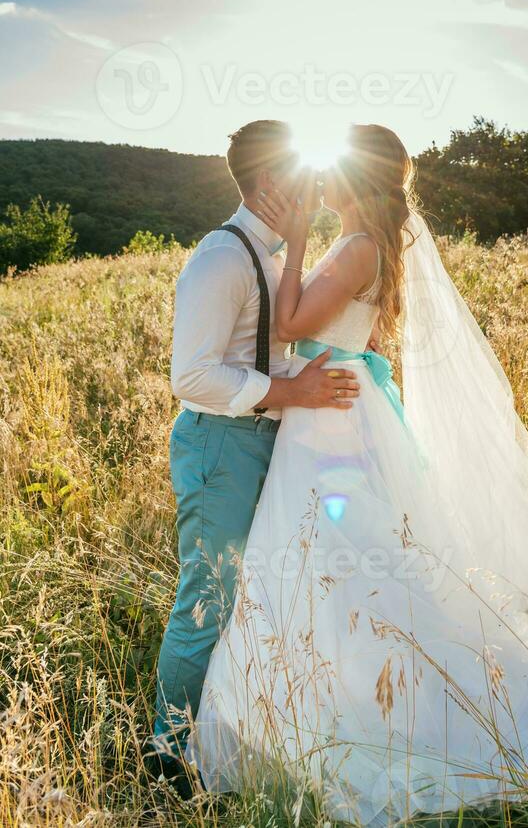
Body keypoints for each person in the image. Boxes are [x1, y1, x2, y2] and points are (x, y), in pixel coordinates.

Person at [188, 123, 528, 824]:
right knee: (344, 556)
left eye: (336, 166)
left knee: (333, 555)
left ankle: (373, 700)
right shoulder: (372, 244)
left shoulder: (353, 247)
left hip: (328, 416)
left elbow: (287, 327)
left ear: (357, 178)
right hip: (340, 405)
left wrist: (299, 245)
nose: (323, 177)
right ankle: (343, 685)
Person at [151, 120, 362, 794]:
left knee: (250, 596)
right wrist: (290, 389)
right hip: (220, 444)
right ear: (271, 182)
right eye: (302, 172)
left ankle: (227, 740)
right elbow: (193, 376)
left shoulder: (272, 257)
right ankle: (165, 763)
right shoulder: (222, 256)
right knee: (205, 603)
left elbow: (265, 351)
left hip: (262, 440)